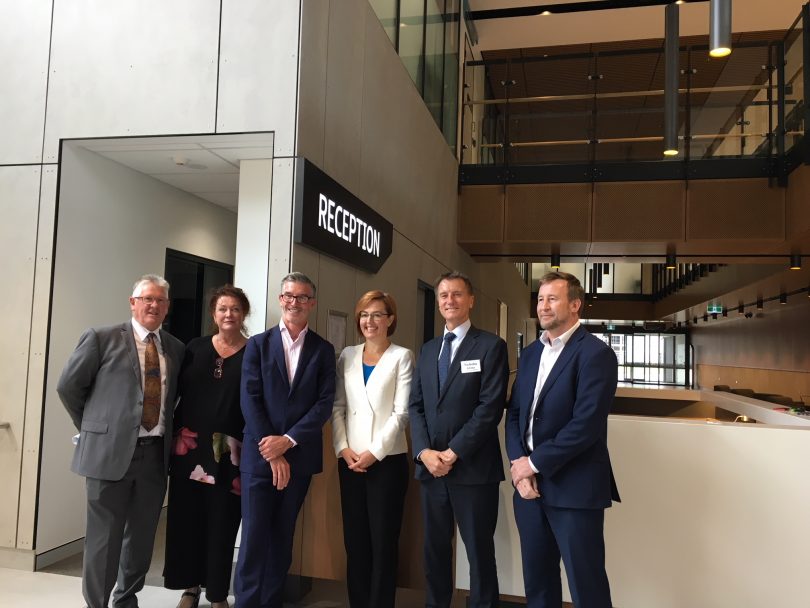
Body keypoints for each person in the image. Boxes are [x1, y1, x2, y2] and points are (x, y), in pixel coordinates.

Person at [57, 274, 185, 608]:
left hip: (155, 456)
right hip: (108, 456)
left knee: (141, 538)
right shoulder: (101, 338)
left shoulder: (175, 347)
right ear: (133, 303)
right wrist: (93, 428)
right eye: (147, 299)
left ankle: (126, 599)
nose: (153, 305)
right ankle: (97, 603)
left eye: (160, 300)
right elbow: (68, 387)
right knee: (104, 540)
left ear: (167, 307)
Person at [506, 271, 620, 608]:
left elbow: (585, 426)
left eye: (552, 299)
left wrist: (533, 463)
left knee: (587, 587)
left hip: (574, 489)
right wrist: (519, 467)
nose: (543, 306)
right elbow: (514, 414)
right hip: (528, 490)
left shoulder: (596, 355)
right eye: (540, 299)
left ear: (575, 305)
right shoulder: (529, 355)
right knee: (538, 585)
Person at [234, 272, 336, 608]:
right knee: (252, 539)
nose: (295, 302)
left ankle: (271, 602)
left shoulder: (323, 350)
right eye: (289, 296)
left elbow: (324, 404)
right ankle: (247, 603)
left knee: (282, 536)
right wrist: (271, 448)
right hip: (259, 458)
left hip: (299, 458)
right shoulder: (258, 345)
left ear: (312, 303)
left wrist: (288, 442)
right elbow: (250, 398)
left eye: (303, 297)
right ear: (280, 300)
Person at [408, 271, 509, 608]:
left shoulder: (491, 346)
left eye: (457, 295)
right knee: (434, 551)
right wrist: (424, 452)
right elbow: (416, 406)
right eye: (443, 296)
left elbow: (489, 408)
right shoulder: (428, 349)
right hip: (431, 472)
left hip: (473, 470)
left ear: (471, 300)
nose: (449, 301)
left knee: (479, 553)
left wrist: (451, 453)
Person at [164, 285, 251, 608]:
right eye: (223, 309)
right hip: (190, 449)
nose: (229, 314)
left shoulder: (253, 350)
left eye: (235, 309)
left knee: (223, 523)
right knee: (189, 521)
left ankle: (217, 593)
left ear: (244, 314)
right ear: (214, 314)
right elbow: (175, 393)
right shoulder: (194, 348)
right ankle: (190, 587)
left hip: (232, 453)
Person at [331, 291, 413, 608]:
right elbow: (337, 406)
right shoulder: (347, 355)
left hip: (386, 463)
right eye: (365, 315)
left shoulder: (401, 356)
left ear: (390, 319)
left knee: (383, 543)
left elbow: (400, 413)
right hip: (350, 462)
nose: (370, 321)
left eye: (378, 314)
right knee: (356, 542)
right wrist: (342, 447)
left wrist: (374, 453)